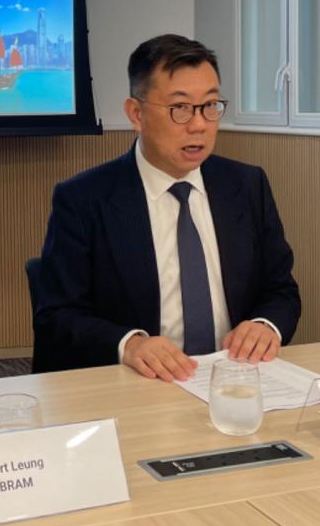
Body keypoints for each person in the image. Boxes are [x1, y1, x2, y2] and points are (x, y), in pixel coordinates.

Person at [33, 34, 300, 381]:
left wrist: (266, 325)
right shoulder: (84, 199)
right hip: (139, 383)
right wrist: (129, 344)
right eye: (180, 108)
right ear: (136, 114)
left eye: (210, 105)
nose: (199, 124)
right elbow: (57, 315)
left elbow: (281, 290)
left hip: (235, 377)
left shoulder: (247, 185)